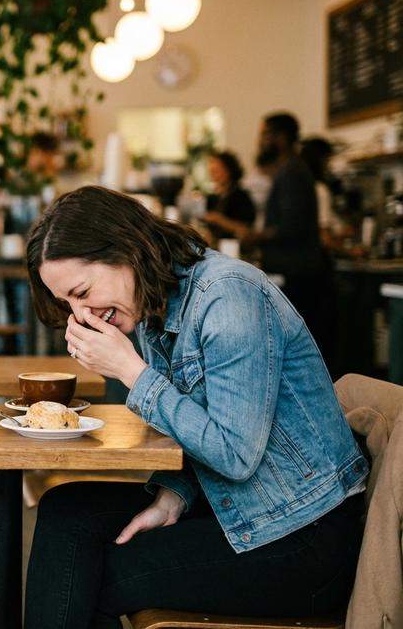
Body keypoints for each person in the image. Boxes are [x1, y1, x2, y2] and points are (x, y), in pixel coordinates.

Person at [22, 186, 367, 629]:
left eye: (82, 291)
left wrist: (131, 372)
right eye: (67, 302)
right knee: (65, 508)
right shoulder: (153, 301)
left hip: (303, 539)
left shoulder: (229, 298)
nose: (80, 313)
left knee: (88, 579)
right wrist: (174, 496)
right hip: (240, 506)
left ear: (125, 249)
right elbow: (199, 420)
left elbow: (235, 454)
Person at [247, 113, 333, 364]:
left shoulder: (293, 173)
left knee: (298, 352)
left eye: (264, 135)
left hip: (299, 276)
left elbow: (289, 226)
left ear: (281, 138)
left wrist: (253, 237)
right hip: (297, 273)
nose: (259, 142)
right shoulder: (289, 171)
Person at [201, 151, 256, 243]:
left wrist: (219, 220)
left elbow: (246, 230)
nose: (213, 175)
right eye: (212, 171)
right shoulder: (212, 198)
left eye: (217, 170)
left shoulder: (241, 197)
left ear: (229, 170)